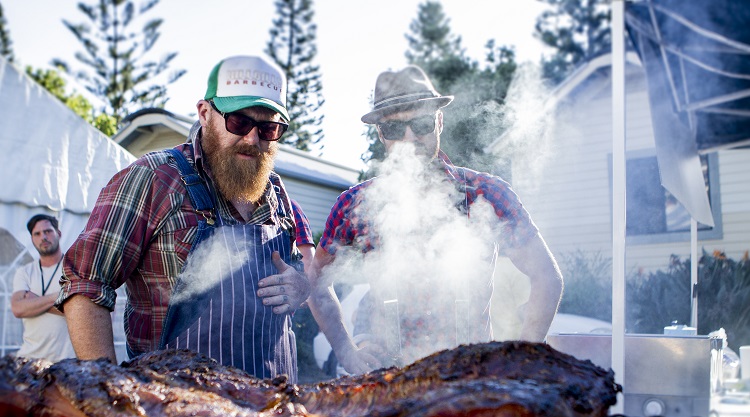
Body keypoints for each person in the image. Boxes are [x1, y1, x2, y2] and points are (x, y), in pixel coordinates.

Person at [57, 54, 312, 383]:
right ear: (205, 113)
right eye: (238, 121)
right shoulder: (155, 178)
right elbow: (85, 284)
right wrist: (109, 393)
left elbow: (297, 270)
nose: (252, 138)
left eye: (268, 128)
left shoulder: (276, 193)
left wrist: (301, 286)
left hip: (276, 411)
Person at [308, 65, 563, 374]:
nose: (409, 137)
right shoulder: (354, 205)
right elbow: (316, 284)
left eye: (422, 122)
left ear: (439, 121)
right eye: (393, 129)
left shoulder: (486, 194)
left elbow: (547, 278)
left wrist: (523, 359)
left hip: (470, 383)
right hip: (389, 386)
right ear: (380, 134)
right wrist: (348, 350)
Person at [11, 214, 75, 362]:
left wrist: (34, 301)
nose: (43, 237)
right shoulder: (25, 272)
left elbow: (82, 311)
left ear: (58, 233)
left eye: (48, 231)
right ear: (32, 239)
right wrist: (60, 297)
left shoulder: (74, 269)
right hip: (30, 360)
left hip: (67, 362)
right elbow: (18, 309)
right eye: (37, 234)